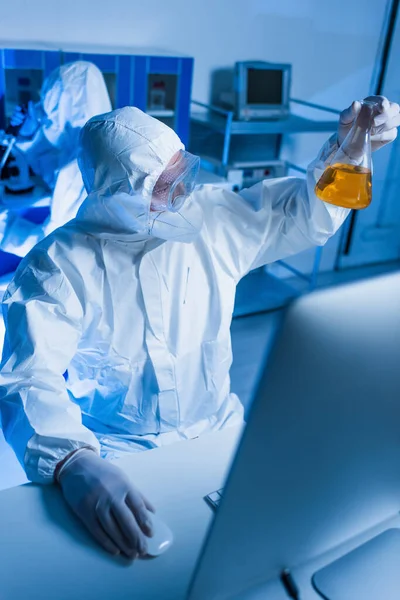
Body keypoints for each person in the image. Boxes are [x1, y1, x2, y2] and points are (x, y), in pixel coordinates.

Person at [0, 97, 398, 559]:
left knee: (260, 553)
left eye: (182, 173)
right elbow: (27, 378)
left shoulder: (212, 219)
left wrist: (350, 149)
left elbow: (305, 214)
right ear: (119, 195)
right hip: (121, 455)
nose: (185, 192)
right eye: (166, 187)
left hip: (220, 434)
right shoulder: (59, 265)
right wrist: (73, 460)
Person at [0, 61, 112, 257]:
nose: (43, 115)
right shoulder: (85, 148)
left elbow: (51, 246)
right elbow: (47, 165)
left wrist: (3, 226)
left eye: (50, 108)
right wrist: (28, 135)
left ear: (66, 109)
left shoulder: (82, 172)